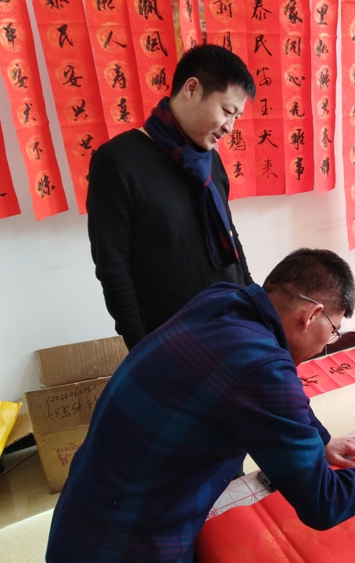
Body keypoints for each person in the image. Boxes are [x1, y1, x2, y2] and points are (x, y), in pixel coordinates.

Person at [46, 248, 355, 563]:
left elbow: (276, 397)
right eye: (333, 330)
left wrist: (321, 440)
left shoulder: (222, 300)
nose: (326, 345)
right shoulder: (260, 366)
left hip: (81, 520)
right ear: (311, 315)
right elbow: (324, 502)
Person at [87, 44, 256, 350]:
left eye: (237, 116)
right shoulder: (118, 161)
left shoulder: (210, 161)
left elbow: (230, 237)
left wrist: (253, 299)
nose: (230, 127)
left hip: (231, 322)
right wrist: (140, 346)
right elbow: (113, 268)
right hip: (172, 340)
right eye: (227, 111)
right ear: (192, 89)